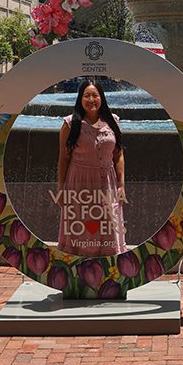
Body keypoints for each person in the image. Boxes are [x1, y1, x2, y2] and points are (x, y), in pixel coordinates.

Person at [56, 79, 127, 255]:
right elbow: (64, 158)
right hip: (79, 182)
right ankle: (80, 272)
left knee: (108, 224)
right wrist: (60, 188)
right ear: (80, 99)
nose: (91, 99)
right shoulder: (70, 124)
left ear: (101, 98)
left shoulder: (113, 121)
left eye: (95, 95)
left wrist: (121, 185)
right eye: (86, 95)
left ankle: (107, 273)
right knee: (80, 224)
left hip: (107, 183)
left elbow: (118, 155)